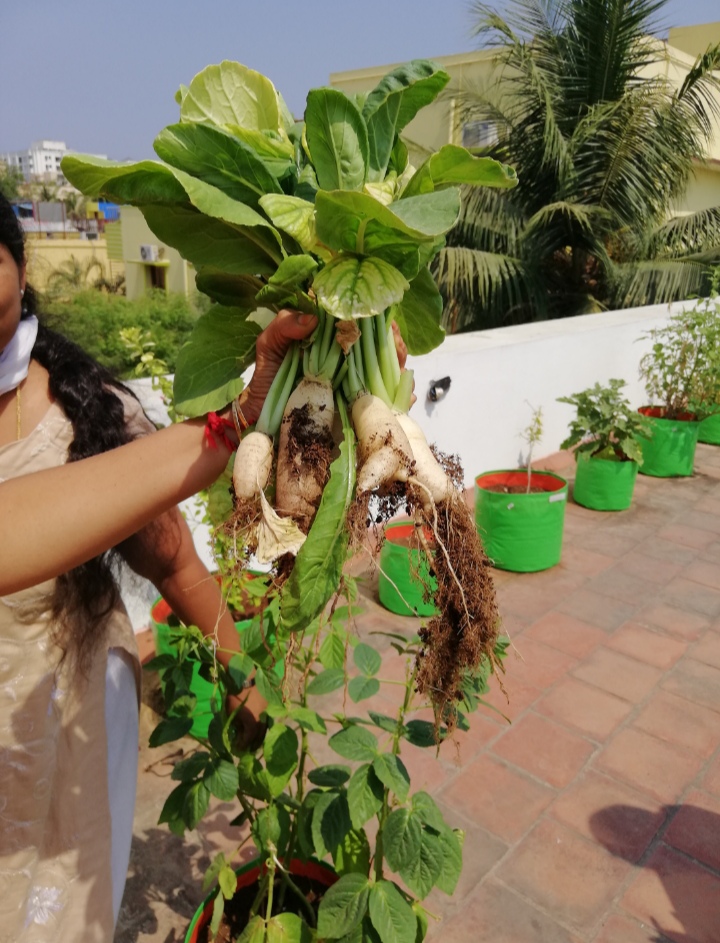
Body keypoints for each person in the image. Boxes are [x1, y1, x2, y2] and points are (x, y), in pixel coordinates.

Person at [0, 193, 317, 943]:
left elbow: (171, 553)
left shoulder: (86, 408)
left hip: (66, 714)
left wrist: (243, 677)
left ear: (20, 270)